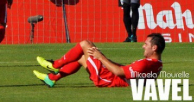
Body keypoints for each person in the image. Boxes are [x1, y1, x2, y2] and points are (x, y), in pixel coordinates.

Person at [33, 33, 165, 88]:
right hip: (110, 75)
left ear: (154, 48)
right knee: (81, 57)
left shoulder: (145, 64)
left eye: (146, 44)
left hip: (106, 78)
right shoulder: (157, 64)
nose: (143, 46)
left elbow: (119, 72)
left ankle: (55, 65)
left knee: (85, 44)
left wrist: (101, 57)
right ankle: (52, 78)